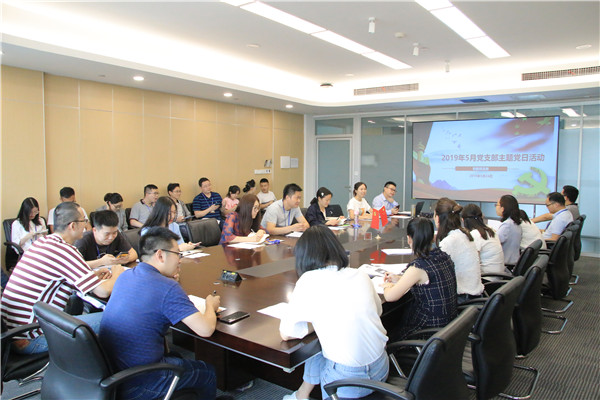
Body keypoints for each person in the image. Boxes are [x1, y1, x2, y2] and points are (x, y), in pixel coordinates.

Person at [99, 227, 220, 400]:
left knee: (176, 357)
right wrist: (210, 305)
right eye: (177, 254)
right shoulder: (167, 287)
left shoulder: (126, 276)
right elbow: (206, 329)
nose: (180, 260)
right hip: (140, 383)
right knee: (207, 372)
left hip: (112, 374)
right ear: (161, 255)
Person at [280, 225, 389, 400]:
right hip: (381, 368)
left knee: (320, 345)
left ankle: (301, 395)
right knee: (323, 344)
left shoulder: (308, 281)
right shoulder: (359, 274)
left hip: (348, 380)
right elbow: (378, 311)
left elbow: (287, 334)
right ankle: (302, 394)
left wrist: (314, 324)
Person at [1, 202, 123, 354]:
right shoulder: (65, 250)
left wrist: (91, 275)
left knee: (85, 311)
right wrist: (118, 272)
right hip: (31, 337)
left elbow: (59, 277)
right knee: (116, 318)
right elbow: (103, 292)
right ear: (73, 225)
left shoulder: (43, 242)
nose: (86, 224)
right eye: (84, 221)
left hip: (12, 333)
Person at [382, 217, 457, 341]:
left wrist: (387, 286)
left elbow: (390, 297)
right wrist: (400, 279)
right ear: (432, 237)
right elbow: (428, 279)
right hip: (448, 326)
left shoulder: (418, 266)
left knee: (388, 333)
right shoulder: (443, 256)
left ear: (409, 239)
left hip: (427, 330)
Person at [434, 198, 483, 302]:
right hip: (474, 297)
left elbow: (434, 273)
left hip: (461, 299)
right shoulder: (464, 234)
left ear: (438, 218)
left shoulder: (449, 241)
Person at [461, 204, 505, 276]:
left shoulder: (475, 235)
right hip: (498, 276)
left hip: (487, 278)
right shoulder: (491, 231)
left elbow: (472, 263)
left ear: (463, 220)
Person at [495, 195, 523, 264]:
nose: (495, 207)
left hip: (505, 263)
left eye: (496, 205)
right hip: (513, 261)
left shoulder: (507, 225)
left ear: (502, 208)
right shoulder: (515, 223)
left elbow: (494, 242)